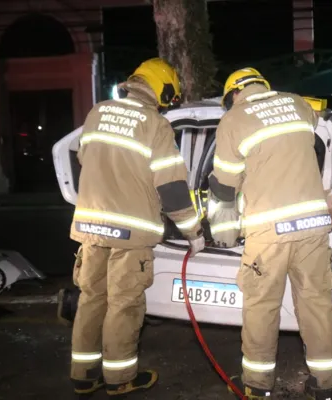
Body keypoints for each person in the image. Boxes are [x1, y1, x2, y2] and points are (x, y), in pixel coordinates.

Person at [67, 57, 205, 397]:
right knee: (124, 305)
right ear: (162, 88)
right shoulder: (155, 125)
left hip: (90, 227)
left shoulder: (97, 112)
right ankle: (120, 378)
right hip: (129, 235)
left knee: (91, 299)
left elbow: (83, 158)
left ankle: (83, 374)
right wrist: (193, 233)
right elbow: (172, 187)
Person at [208, 67, 332, 399]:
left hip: (269, 232)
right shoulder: (296, 103)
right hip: (312, 227)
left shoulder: (234, 120)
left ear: (234, 94)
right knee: (316, 304)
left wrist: (223, 235)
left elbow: (224, 186)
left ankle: (256, 385)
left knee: (262, 307)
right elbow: (306, 131)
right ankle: (324, 385)